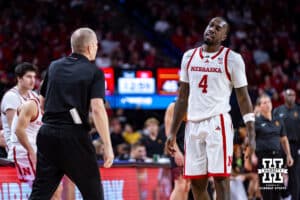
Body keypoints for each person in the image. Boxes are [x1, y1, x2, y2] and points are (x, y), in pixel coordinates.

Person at [166, 17, 256, 200]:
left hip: (218, 122)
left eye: (218, 28)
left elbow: (243, 97)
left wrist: (251, 132)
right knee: (197, 184)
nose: (212, 29)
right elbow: (182, 97)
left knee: (221, 180)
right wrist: (173, 132)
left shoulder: (233, 59)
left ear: (224, 36)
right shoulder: (189, 56)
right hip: (193, 124)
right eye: (210, 25)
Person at [29, 27, 114, 200]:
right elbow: (97, 108)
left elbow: (43, 103)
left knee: (40, 194)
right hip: (74, 136)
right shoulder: (95, 72)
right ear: (90, 47)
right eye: (96, 46)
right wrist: (108, 145)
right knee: (93, 195)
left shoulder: (54, 67)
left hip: (47, 133)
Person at [255, 94, 293, 200]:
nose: (268, 104)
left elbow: (284, 139)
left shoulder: (278, 120)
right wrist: (250, 156)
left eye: (269, 102)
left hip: (277, 156)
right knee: (267, 190)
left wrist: (289, 155)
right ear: (259, 106)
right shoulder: (256, 122)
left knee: (277, 189)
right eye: (264, 102)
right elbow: (250, 141)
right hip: (264, 158)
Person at [1, 62, 37, 161]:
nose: (33, 80)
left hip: (32, 145)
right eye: (29, 77)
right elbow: (16, 130)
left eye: (34, 77)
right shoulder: (11, 97)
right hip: (18, 150)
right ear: (19, 78)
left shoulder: (34, 95)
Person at [273, 89, 300, 200]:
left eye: (293, 95)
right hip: (280, 146)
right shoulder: (277, 110)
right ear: (284, 96)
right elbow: (273, 129)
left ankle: (295, 198)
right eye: (289, 95)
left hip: (294, 146)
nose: (291, 97)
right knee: (277, 174)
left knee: (295, 176)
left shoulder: (299, 110)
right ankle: (280, 196)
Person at [164, 101, 191, 200]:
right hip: (177, 148)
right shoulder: (173, 106)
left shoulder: (195, 104)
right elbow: (169, 133)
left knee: (187, 186)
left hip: (190, 149)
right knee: (180, 184)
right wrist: (176, 152)